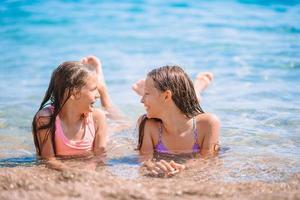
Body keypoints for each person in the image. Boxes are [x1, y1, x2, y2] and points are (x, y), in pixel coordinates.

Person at [32, 55, 128, 170]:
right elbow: (48, 159)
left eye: (97, 90)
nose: (97, 95)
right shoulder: (45, 119)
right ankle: (100, 84)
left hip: (96, 127)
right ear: (74, 93)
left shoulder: (97, 117)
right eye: (93, 90)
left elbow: (100, 157)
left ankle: (102, 87)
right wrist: (73, 171)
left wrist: (89, 169)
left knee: (124, 125)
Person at [132, 65, 220, 177]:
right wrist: (154, 166)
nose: (141, 100)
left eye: (147, 94)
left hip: (177, 105)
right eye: (143, 94)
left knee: (191, 102)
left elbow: (208, 159)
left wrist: (185, 167)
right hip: (171, 103)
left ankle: (197, 87)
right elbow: (144, 159)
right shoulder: (148, 124)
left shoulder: (208, 123)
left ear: (166, 96)